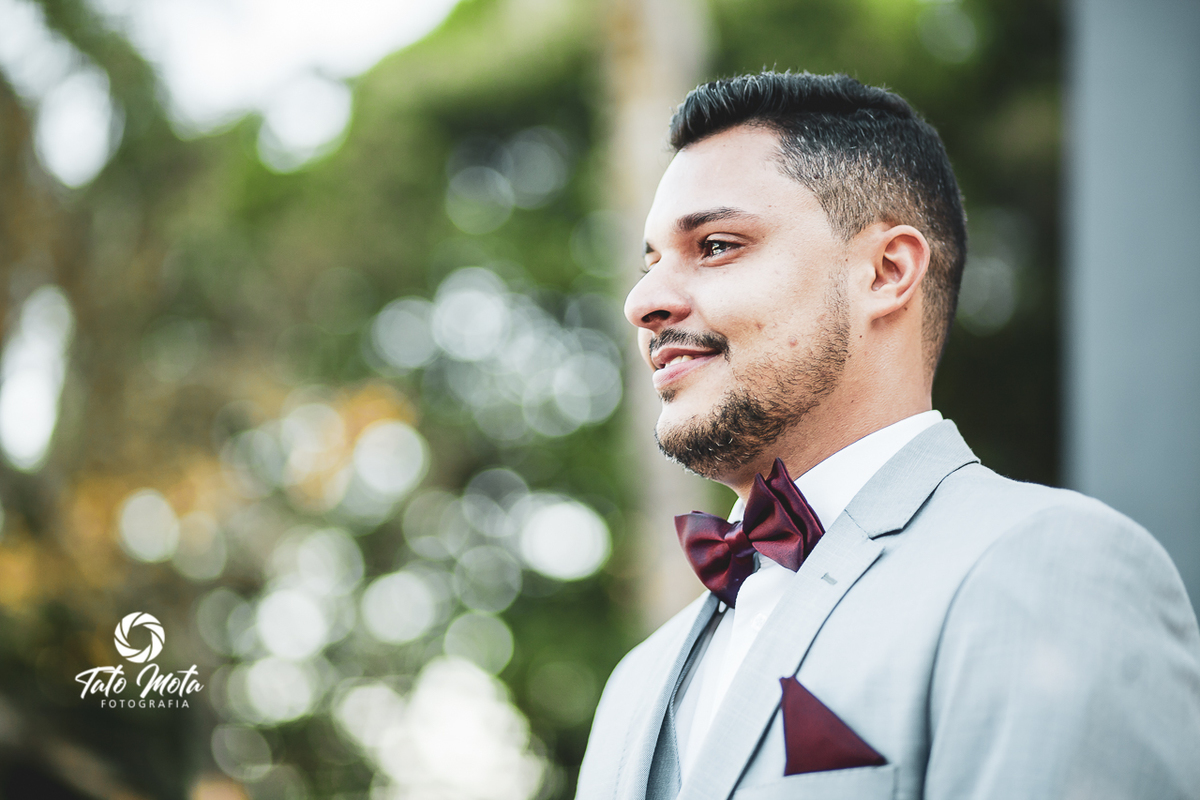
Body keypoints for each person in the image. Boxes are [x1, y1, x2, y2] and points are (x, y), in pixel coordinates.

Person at [576, 71, 1200, 800]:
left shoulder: (1051, 566)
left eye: (715, 245)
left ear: (885, 271)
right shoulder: (636, 682)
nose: (642, 301)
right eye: (649, 263)